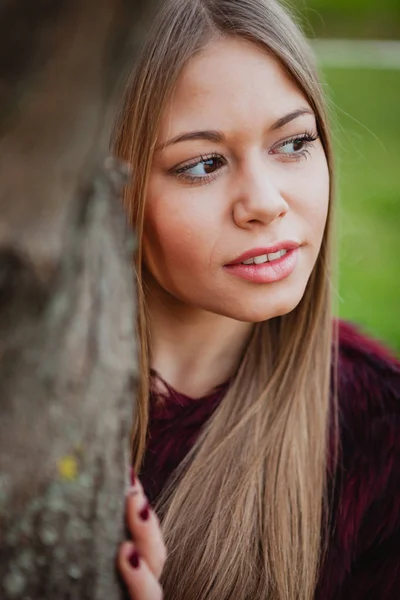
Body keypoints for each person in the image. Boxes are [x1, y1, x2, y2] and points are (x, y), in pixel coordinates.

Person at [112, 0, 400, 598]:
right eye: (201, 163)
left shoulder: (379, 434)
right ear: (108, 190)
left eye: (294, 143)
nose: (265, 202)